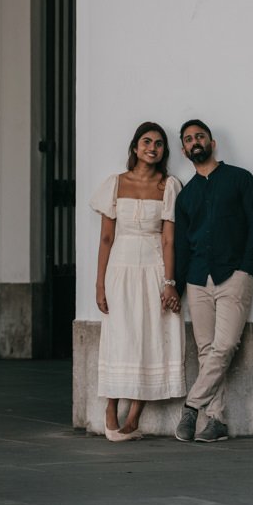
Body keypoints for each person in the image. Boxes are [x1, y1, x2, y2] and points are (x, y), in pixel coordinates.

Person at [173, 119, 253, 443]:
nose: (195, 142)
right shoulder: (186, 196)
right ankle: (216, 420)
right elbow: (183, 246)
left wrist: (246, 269)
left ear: (212, 144)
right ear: (184, 150)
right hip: (198, 279)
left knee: (225, 346)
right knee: (206, 350)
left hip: (233, 276)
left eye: (200, 136)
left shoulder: (240, 179)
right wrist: (176, 286)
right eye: (188, 139)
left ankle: (191, 406)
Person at [91, 121, 185, 441]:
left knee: (151, 334)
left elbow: (169, 239)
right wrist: (100, 284)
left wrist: (169, 282)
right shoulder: (115, 184)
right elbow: (106, 238)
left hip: (154, 267)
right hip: (120, 268)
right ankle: (110, 409)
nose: (152, 148)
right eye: (146, 142)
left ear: (164, 151)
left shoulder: (169, 186)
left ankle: (134, 417)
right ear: (135, 147)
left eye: (158, 144)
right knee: (120, 336)